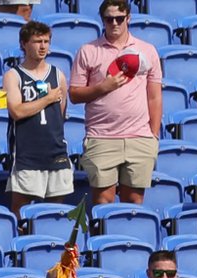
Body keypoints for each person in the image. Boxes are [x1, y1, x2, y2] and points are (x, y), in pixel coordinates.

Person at [71, 0, 158, 206]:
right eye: (109, 19)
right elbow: (74, 94)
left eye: (119, 19)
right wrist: (103, 87)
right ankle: (103, 238)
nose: (114, 24)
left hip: (139, 137)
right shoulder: (88, 50)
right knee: (103, 200)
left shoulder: (147, 50)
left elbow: (154, 96)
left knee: (134, 201)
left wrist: (153, 134)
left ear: (128, 18)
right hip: (102, 136)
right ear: (102, 20)